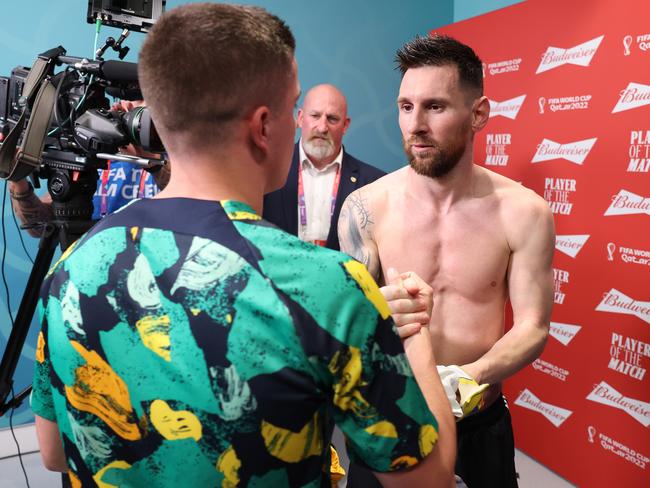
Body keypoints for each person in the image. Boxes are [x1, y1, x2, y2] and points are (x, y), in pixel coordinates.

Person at [31, 5, 456, 487]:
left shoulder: (69, 267)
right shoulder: (329, 290)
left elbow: (52, 451)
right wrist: (415, 332)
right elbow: (430, 480)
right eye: (294, 105)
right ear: (264, 126)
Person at [339, 34, 555, 488]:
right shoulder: (365, 208)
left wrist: (467, 378)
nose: (414, 124)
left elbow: (533, 325)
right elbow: (346, 323)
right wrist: (373, 310)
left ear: (478, 114)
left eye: (434, 107)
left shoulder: (524, 211)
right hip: (390, 418)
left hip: (479, 423)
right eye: (405, 106)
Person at [7, 100, 169, 238]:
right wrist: (17, 179)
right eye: (121, 101)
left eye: (138, 101)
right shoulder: (90, 156)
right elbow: (40, 227)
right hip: (94, 268)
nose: (125, 106)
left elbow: (193, 206)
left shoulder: (176, 161)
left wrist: (150, 161)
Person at [263, 84, 384, 250]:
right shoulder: (265, 169)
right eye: (315, 116)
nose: (322, 128)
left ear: (345, 125)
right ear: (300, 118)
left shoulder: (374, 183)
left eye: (332, 119)